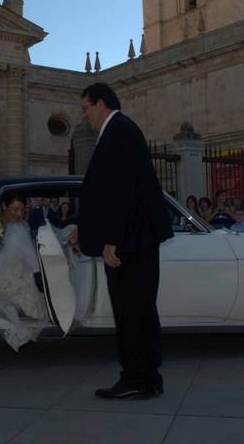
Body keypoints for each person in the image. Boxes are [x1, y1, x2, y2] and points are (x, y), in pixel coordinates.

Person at [78, 83, 172, 400]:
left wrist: (111, 240)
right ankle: (148, 377)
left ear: (100, 103)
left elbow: (121, 192)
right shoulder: (121, 128)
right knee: (142, 311)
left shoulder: (117, 131)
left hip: (128, 241)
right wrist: (87, 228)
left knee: (131, 312)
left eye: (85, 107)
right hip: (136, 238)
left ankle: (135, 378)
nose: (85, 115)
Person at [0, 192, 49, 349]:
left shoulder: (23, 225)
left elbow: (29, 254)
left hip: (21, 269)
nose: (19, 214)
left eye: (22, 210)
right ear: (4, 206)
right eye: (15, 209)